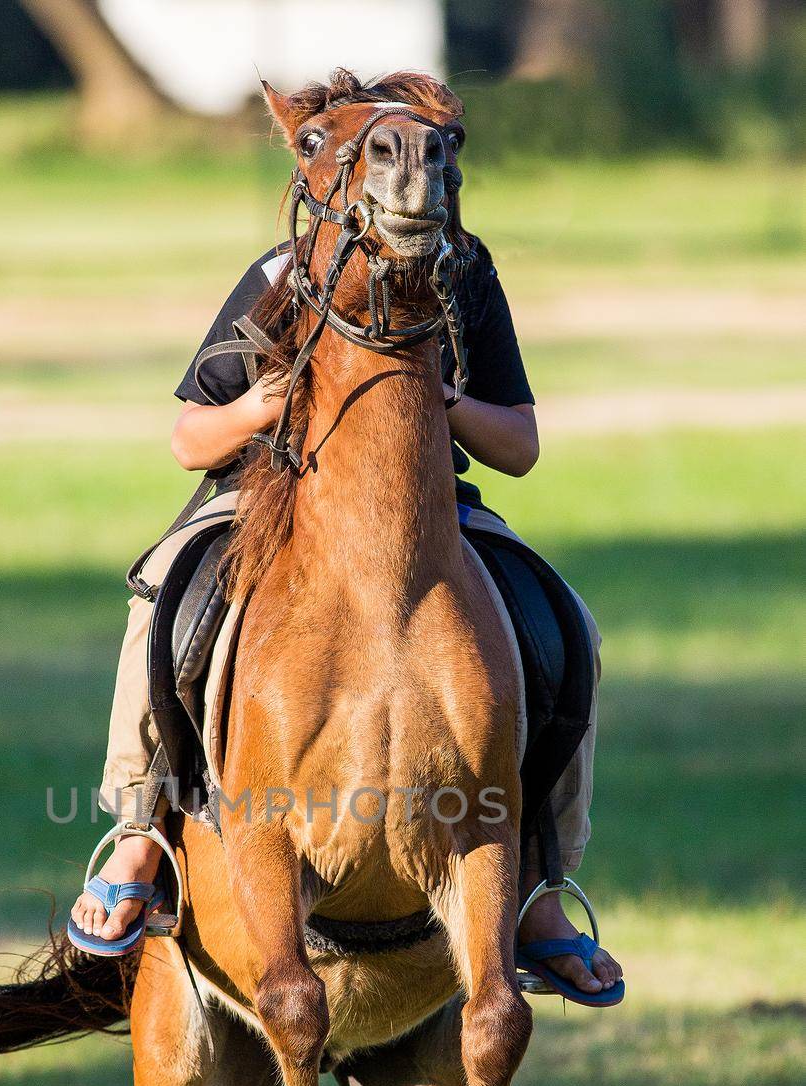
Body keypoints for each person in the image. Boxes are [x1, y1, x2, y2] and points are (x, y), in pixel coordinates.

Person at [71, 96, 623, 1004]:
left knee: (574, 627)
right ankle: (139, 831)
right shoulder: (281, 269)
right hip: (265, 499)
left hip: (427, 510)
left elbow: (519, 445)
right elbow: (187, 440)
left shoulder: (465, 272)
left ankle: (538, 884)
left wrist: (449, 405)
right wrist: (260, 406)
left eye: (430, 154)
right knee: (159, 591)